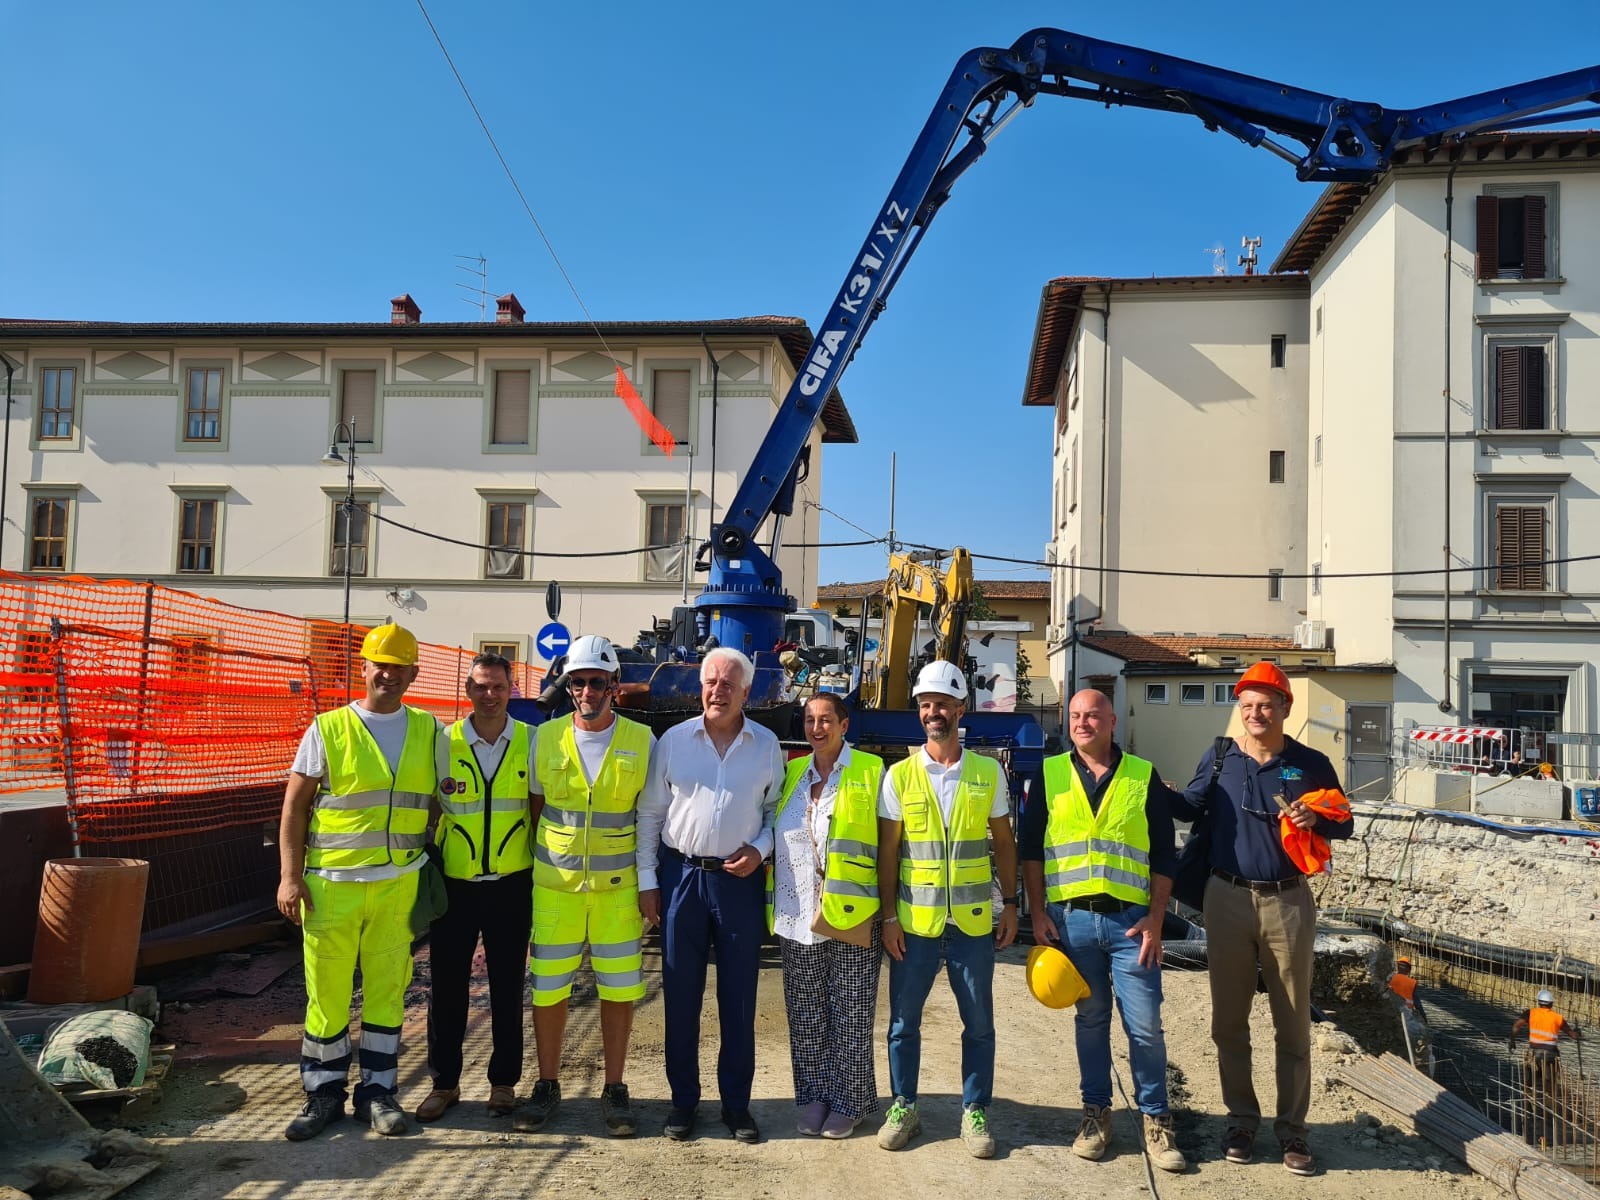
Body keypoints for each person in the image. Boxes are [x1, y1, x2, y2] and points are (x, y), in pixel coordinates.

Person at [1172, 660, 1351, 1177]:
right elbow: (1188, 806)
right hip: (1224, 898)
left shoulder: (1310, 763)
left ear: (1284, 709)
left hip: (1289, 901)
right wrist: (1142, 782)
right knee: (1228, 1022)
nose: (1255, 713)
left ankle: (1293, 1133)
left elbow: (1345, 822)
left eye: (1265, 704)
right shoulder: (1221, 755)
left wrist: (1316, 816)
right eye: (1247, 705)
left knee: (1292, 1023)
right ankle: (1241, 1122)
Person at [276, 623, 437, 1141]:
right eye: (379, 665)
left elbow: (439, 800)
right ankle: (322, 1094)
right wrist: (289, 877)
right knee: (327, 993)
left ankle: (378, 1092)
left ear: (413, 673)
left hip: (397, 886)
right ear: (363, 668)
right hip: (332, 886)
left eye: (398, 667)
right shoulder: (327, 729)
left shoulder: (429, 730)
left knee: (390, 992)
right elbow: (295, 807)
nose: (388, 674)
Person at [1021, 688, 1186, 1173]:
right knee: (1090, 1022)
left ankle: (1156, 1120)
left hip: (1131, 925)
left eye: (1092, 715)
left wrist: (1157, 919)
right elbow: (1031, 849)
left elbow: (1164, 854)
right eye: (1074, 716)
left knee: (1145, 1027)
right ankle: (1095, 1114)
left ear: (1112, 721)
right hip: (1072, 923)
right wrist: (1037, 912)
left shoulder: (1142, 775)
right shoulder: (1050, 774)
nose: (1082, 723)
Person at [637, 647, 786, 1143]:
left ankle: (736, 1106)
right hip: (681, 879)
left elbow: (775, 815)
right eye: (710, 681)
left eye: (728, 683)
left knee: (739, 998)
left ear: (747, 691)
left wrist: (761, 850)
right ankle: (682, 1104)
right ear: (699, 687)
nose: (717, 690)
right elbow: (651, 816)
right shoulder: (674, 742)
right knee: (680, 997)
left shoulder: (766, 746)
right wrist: (648, 882)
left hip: (738, 883)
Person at [877, 660, 1019, 1159]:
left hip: (973, 924)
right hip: (914, 924)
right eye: (925, 704)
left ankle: (974, 1110)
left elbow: (1003, 842)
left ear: (961, 708)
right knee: (902, 1023)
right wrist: (888, 917)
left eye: (942, 703)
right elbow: (889, 851)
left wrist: (1013, 904)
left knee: (978, 1023)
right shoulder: (899, 776)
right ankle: (905, 1105)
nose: (933, 712)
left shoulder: (986, 773)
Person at [516, 636, 655, 1136]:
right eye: (579, 681)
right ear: (568, 686)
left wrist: (648, 884)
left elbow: (647, 819)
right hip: (555, 890)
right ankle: (547, 1084)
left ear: (615, 685)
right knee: (549, 989)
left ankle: (615, 1088)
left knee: (619, 991)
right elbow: (537, 810)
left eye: (598, 681)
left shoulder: (642, 741)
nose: (588, 690)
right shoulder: (545, 738)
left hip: (618, 890)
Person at [414, 652, 535, 1125]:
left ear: (512, 690)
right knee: (445, 988)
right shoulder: (443, 742)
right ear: (468, 691)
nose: (490, 695)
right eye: (481, 687)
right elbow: (426, 809)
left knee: (508, 986)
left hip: (511, 884)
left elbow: (539, 810)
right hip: (455, 887)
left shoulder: (530, 741)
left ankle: (503, 1083)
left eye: (498, 687)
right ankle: (444, 1083)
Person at [766, 693, 884, 1140]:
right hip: (797, 913)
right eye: (810, 720)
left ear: (845, 724)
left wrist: (888, 915)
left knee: (851, 1010)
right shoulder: (793, 772)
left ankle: (850, 1101)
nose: (818, 728)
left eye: (826, 719)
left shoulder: (871, 771)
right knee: (806, 1012)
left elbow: (889, 847)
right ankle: (815, 1095)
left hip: (853, 912)